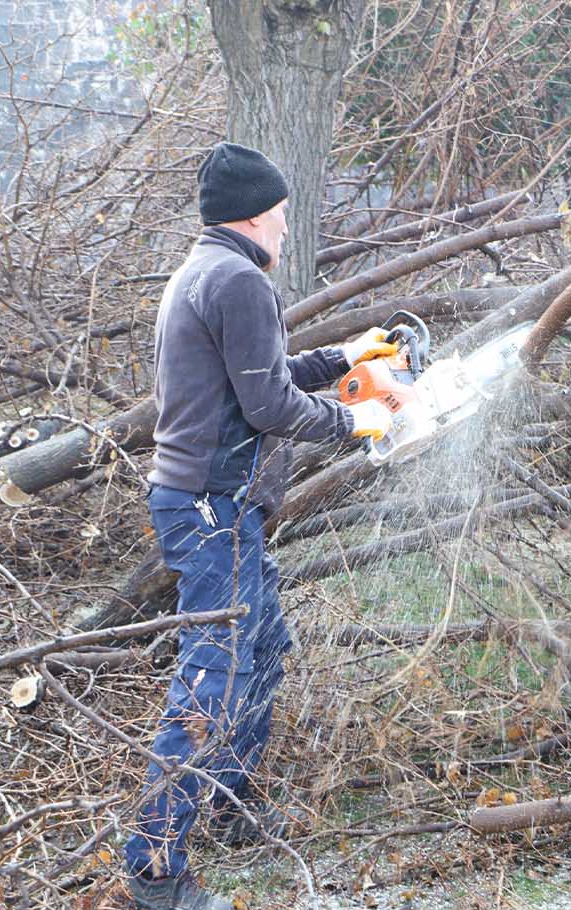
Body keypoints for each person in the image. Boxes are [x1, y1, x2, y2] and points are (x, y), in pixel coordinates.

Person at [124, 141, 391, 910]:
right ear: (256, 213)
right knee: (213, 673)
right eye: (279, 212)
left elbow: (262, 377)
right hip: (211, 506)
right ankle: (153, 867)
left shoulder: (207, 270)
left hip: (212, 504)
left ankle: (230, 804)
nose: (284, 224)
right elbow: (270, 408)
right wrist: (359, 420)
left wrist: (347, 355)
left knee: (262, 643)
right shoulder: (237, 279)